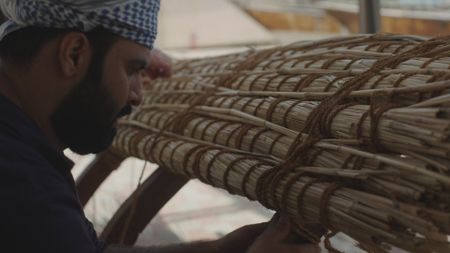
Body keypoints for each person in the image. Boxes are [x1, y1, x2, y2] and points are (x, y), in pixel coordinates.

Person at [0, 1, 320, 252]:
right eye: (133, 69)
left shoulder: (23, 150)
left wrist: (213, 250)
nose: (138, 94)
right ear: (73, 53)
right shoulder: (23, 185)